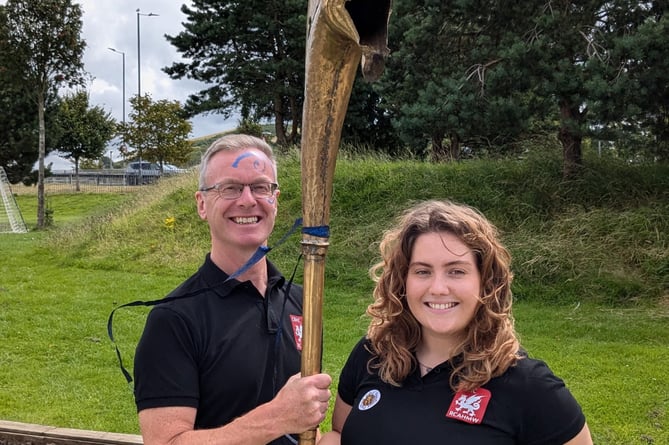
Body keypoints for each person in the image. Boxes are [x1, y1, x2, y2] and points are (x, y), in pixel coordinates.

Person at [319, 200, 593, 445]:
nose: (438, 288)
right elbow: (342, 434)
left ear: (486, 283)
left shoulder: (528, 386)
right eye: (423, 271)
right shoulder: (372, 354)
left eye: (456, 271)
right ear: (402, 281)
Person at [133, 134, 332, 445]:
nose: (248, 200)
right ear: (202, 204)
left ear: (275, 200)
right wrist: (277, 417)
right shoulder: (174, 321)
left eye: (261, 187)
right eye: (230, 188)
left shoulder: (302, 301)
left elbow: (305, 420)